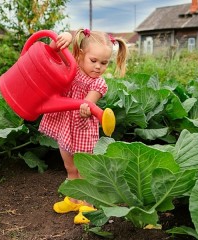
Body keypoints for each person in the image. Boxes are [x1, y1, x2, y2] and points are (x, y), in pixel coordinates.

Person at [38, 28, 128, 224]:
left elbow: (87, 102)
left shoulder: (99, 84)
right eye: (93, 60)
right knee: (70, 167)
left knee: (84, 170)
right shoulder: (72, 65)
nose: (98, 67)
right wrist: (66, 38)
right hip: (65, 125)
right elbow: (53, 51)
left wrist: (86, 107)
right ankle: (73, 199)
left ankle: (88, 205)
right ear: (80, 54)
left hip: (82, 129)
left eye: (104, 63)